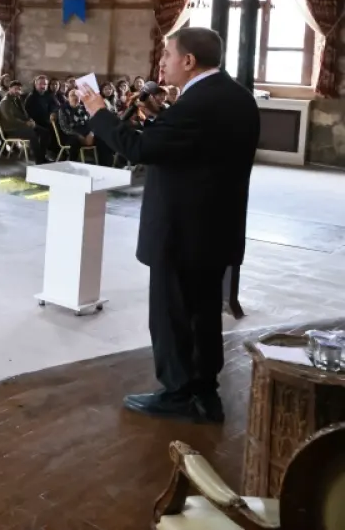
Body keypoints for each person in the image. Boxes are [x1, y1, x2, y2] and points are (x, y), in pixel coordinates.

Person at [79, 27, 259, 424]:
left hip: (182, 232)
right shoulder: (236, 97)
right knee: (203, 313)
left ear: (189, 61)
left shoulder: (197, 104)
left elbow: (140, 148)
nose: (161, 62)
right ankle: (204, 391)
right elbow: (195, 147)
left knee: (173, 315)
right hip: (215, 229)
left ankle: (178, 394)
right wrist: (161, 119)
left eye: (167, 54)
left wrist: (99, 113)